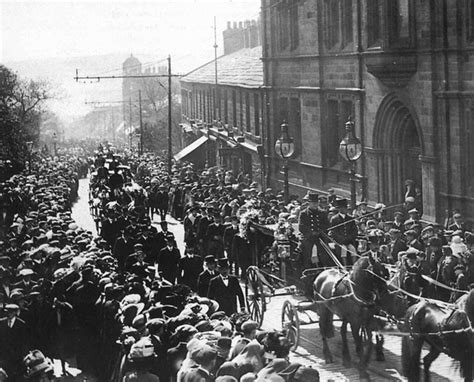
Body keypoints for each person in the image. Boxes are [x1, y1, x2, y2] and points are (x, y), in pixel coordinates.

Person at [297, 192, 330, 269]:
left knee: (324, 253)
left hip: (320, 237)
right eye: (313, 203)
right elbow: (301, 227)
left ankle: (325, 268)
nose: (315, 204)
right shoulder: (304, 213)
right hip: (308, 237)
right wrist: (311, 232)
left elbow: (327, 225)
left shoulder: (322, 213)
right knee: (307, 252)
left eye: (316, 203)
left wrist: (320, 231)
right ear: (309, 203)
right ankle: (307, 269)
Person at [329, 198, 358, 266]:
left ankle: (354, 266)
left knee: (353, 249)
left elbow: (354, 231)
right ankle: (344, 267)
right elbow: (333, 232)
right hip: (340, 242)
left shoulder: (350, 219)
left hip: (349, 241)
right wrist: (342, 239)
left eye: (346, 208)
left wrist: (349, 238)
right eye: (343, 208)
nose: (345, 209)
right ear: (339, 209)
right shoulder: (334, 219)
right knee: (343, 250)